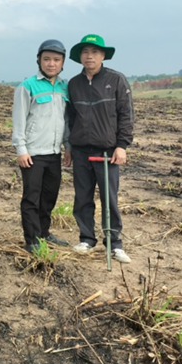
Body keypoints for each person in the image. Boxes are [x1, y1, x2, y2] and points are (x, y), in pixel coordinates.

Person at [66, 34, 134, 263]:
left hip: (107, 152)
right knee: (82, 197)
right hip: (81, 151)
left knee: (109, 198)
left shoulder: (116, 80)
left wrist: (122, 146)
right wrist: (69, 147)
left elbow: (126, 115)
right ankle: (86, 238)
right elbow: (70, 118)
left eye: (94, 52)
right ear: (80, 57)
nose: (89, 56)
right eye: (85, 52)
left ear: (103, 55)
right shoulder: (74, 84)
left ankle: (114, 244)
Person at [12, 39, 72, 253]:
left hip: (54, 153)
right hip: (33, 154)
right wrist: (21, 150)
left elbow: (65, 120)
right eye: (46, 59)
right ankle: (32, 241)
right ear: (38, 60)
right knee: (31, 197)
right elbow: (18, 121)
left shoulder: (65, 87)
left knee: (49, 196)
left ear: (63, 62)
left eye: (56, 60)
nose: (51, 63)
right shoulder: (27, 86)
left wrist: (68, 147)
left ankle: (44, 232)